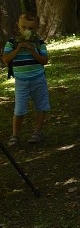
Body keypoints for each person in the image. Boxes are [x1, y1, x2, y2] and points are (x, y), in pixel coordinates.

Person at [3, 12, 50, 146]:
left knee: (41, 106)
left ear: (36, 29)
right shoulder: (12, 42)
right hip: (21, 81)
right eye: (24, 27)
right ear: (18, 26)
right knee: (19, 109)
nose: (27, 31)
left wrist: (33, 51)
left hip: (38, 79)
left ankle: (37, 132)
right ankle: (15, 135)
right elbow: (6, 59)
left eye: (31, 28)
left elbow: (44, 60)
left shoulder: (39, 42)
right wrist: (18, 49)